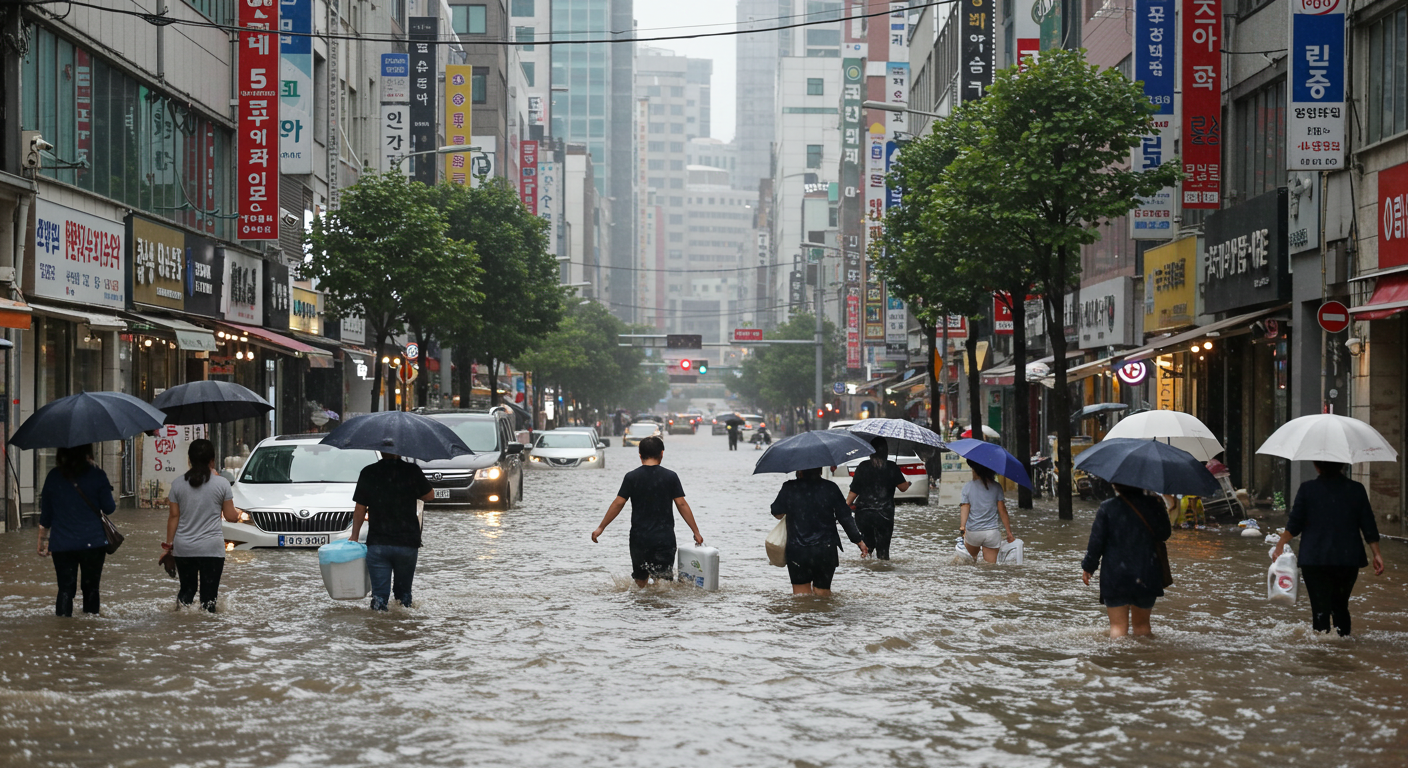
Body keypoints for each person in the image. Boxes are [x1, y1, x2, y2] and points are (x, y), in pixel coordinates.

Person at [1272, 461, 1385, 636]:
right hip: (1347, 559)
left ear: (1317, 466)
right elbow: (1368, 524)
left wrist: (1279, 546)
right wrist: (1376, 553)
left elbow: (1294, 524)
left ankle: (1322, 656)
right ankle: (1343, 648)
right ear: (1342, 465)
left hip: (1315, 559)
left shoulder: (1307, 489)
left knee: (1320, 609)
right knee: (1340, 607)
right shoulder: (1356, 489)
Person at [591, 436, 703, 587]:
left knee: (640, 581)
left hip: (639, 539)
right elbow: (681, 504)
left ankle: (642, 607)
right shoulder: (670, 476)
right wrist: (696, 531)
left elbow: (618, 503)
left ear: (640, 454)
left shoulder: (631, 477)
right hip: (664, 538)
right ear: (662, 453)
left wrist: (601, 528)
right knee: (663, 584)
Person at [1081, 483, 1172, 638]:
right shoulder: (1153, 504)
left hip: (1115, 574)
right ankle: (1145, 660)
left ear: (1116, 484)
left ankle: (1119, 660)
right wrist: (1160, 506)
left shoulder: (1107, 507)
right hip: (1146, 571)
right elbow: (1164, 534)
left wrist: (1089, 567)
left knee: (1117, 627)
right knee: (1142, 626)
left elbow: (1096, 542)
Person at [348, 452, 435, 610]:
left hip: (378, 543)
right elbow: (430, 495)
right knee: (404, 595)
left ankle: (379, 629)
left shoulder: (369, 472)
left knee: (379, 595)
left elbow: (360, 509)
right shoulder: (412, 471)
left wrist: (354, 536)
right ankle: (402, 628)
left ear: (380, 450)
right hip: (407, 543)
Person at [37, 444, 116, 617]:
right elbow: (109, 508)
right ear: (87, 451)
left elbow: (46, 515)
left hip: (62, 544)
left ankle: (64, 632)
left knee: (65, 589)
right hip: (93, 543)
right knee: (92, 588)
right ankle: (91, 632)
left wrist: (42, 540)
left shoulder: (53, 476)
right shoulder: (97, 475)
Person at [164, 439, 239, 612]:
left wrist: (168, 547)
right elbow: (231, 516)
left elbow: (173, 517)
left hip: (184, 549)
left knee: (186, 594)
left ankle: (182, 630)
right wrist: (240, 514)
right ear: (212, 461)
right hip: (211, 549)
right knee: (209, 600)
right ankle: (207, 636)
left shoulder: (177, 484)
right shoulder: (222, 484)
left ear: (189, 460)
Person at [770, 467, 870, 595]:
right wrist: (858, 541)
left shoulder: (789, 487)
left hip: (798, 551)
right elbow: (845, 517)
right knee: (823, 593)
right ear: (820, 470)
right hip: (825, 550)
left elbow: (776, 511)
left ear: (799, 470)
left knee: (802, 597)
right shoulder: (830, 487)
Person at [846, 437, 911, 560]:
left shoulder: (863, 466)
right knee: (883, 551)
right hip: (884, 514)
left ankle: (866, 574)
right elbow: (903, 488)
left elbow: (854, 490)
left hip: (864, 514)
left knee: (867, 547)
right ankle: (882, 574)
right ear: (886, 451)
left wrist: (845, 506)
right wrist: (908, 483)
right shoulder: (891, 466)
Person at [959, 461, 1014, 563]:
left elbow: (965, 507)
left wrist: (962, 527)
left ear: (976, 471)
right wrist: (1009, 532)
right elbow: (1002, 511)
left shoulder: (968, 487)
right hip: (992, 533)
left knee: (970, 562)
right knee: (990, 567)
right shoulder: (997, 487)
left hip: (973, 532)